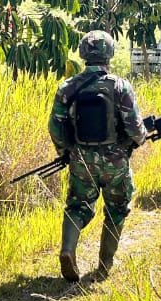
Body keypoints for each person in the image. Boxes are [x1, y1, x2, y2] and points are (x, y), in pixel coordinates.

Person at [48, 30, 148, 281]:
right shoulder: (120, 86)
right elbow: (135, 127)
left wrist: (66, 152)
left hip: (81, 161)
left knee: (77, 206)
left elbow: (55, 126)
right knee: (116, 208)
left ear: (83, 54)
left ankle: (68, 250)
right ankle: (104, 266)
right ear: (110, 54)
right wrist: (139, 140)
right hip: (116, 162)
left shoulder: (67, 88)